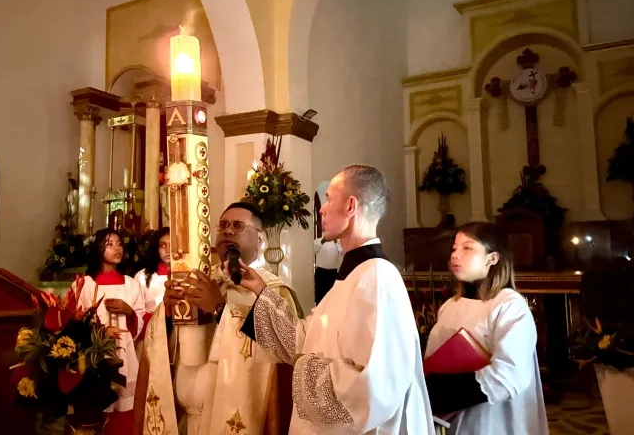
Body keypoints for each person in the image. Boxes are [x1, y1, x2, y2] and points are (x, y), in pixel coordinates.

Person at [237, 164, 434, 434]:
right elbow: (306, 339)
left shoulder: (377, 276)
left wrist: (303, 372)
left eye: (329, 198)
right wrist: (261, 292)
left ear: (351, 205)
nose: (322, 208)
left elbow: (376, 386)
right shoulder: (352, 277)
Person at [134, 202, 302, 435]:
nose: (228, 231)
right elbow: (160, 347)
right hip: (182, 421)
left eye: (238, 226)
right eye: (223, 225)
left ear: (260, 239)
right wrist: (168, 315)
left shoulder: (273, 292)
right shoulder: (200, 280)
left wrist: (220, 308)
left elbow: (282, 355)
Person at [423, 222, 547, 434]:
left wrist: (443, 392)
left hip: (492, 419)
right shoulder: (450, 306)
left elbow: (510, 373)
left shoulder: (509, 305)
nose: (455, 255)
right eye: (454, 248)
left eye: (467, 248)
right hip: (449, 418)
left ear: (493, 258)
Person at [73, 228, 146, 434]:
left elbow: (140, 319)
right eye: (110, 244)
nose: (118, 248)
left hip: (126, 354)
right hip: (95, 358)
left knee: (125, 410)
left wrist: (129, 311)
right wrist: (99, 331)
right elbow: (75, 321)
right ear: (97, 249)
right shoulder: (85, 284)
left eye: (120, 243)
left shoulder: (131, 284)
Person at [134, 227, 170, 350]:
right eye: (163, 245)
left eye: (172, 245)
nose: (168, 250)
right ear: (156, 248)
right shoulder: (142, 276)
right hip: (149, 334)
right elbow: (136, 310)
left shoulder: (187, 274)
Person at [313, 236, 342, 304]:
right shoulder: (317, 241)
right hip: (320, 272)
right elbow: (313, 250)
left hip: (333, 273)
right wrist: (322, 241)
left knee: (332, 295)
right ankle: (319, 312)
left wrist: (336, 242)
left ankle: (331, 312)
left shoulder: (338, 242)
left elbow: (342, 252)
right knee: (320, 295)